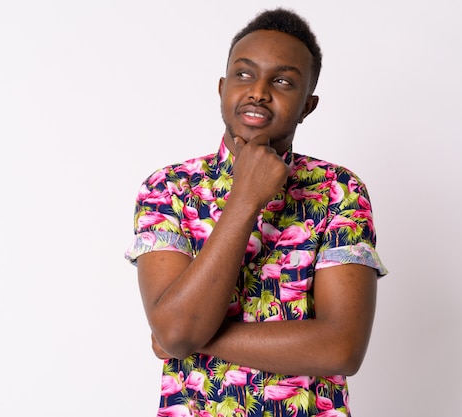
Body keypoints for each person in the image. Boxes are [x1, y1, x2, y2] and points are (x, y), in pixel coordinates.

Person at [124, 7, 387, 417]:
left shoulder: (338, 191)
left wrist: (190, 338)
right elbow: (174, 330)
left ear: (308, 105)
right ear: (221, 87)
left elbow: (341, 348)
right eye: (244, 74)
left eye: (282, 81)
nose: (258, 91)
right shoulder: (169, 189)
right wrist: (245, 198)